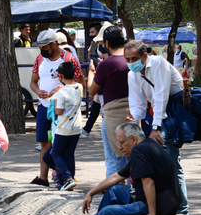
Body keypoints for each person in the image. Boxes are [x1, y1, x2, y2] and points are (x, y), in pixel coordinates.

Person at [45, 122, 181, 215]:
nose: (120, 148)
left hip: (155, 203)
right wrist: (91, 192)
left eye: (121, 143)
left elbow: (148, 182)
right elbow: (117, 176)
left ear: (133, 139)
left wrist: (151, 214)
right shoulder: (145, 146)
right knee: (114, 190)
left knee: (107, 213)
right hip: (150, 197)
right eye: (118, 144)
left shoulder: (139, 150)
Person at [125, 39, 188, 215]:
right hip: (156, 117)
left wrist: (156, 128)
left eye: (134, 58)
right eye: (127, 59)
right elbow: (138, 104)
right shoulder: (132, 75)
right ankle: (164, 204)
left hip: (172, 114)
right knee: (158, 162)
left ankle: (182, 208)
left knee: (171, 161)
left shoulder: (159, 63)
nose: (131, 63)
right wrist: (132, 118)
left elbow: (161, 96)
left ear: (145, 56)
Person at [30, 29, 84, 186]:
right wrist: (37, 91)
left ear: (53, 44)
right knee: (44, 143)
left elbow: (80, 83)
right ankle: (43, 178)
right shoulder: (40, 59)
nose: (42, 51)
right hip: (45, 106)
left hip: (63, 110)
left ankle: (64, 176)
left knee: (60, 146)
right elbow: (33, 81)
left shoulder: (69, 59)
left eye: (44, 47)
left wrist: (61, 90)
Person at [88, 25, 130, 177]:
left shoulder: (106, 64)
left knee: (113, 160)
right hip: (133, 114)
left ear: (106, 43)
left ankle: (113, 196)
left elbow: (91, 91)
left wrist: (93, 71)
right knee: (129, 158)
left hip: (112, 117)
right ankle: (129, 194)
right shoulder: (131, 59)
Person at [42, 61, 82, 191]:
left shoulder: (61, 93)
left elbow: (59, 112)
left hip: (63, 129)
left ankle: (67, 177)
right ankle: (68, 178)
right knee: (69, 154)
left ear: (60, 75)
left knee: (56, 154)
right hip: (76, 127)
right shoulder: (79, 87)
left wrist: (54, 99)